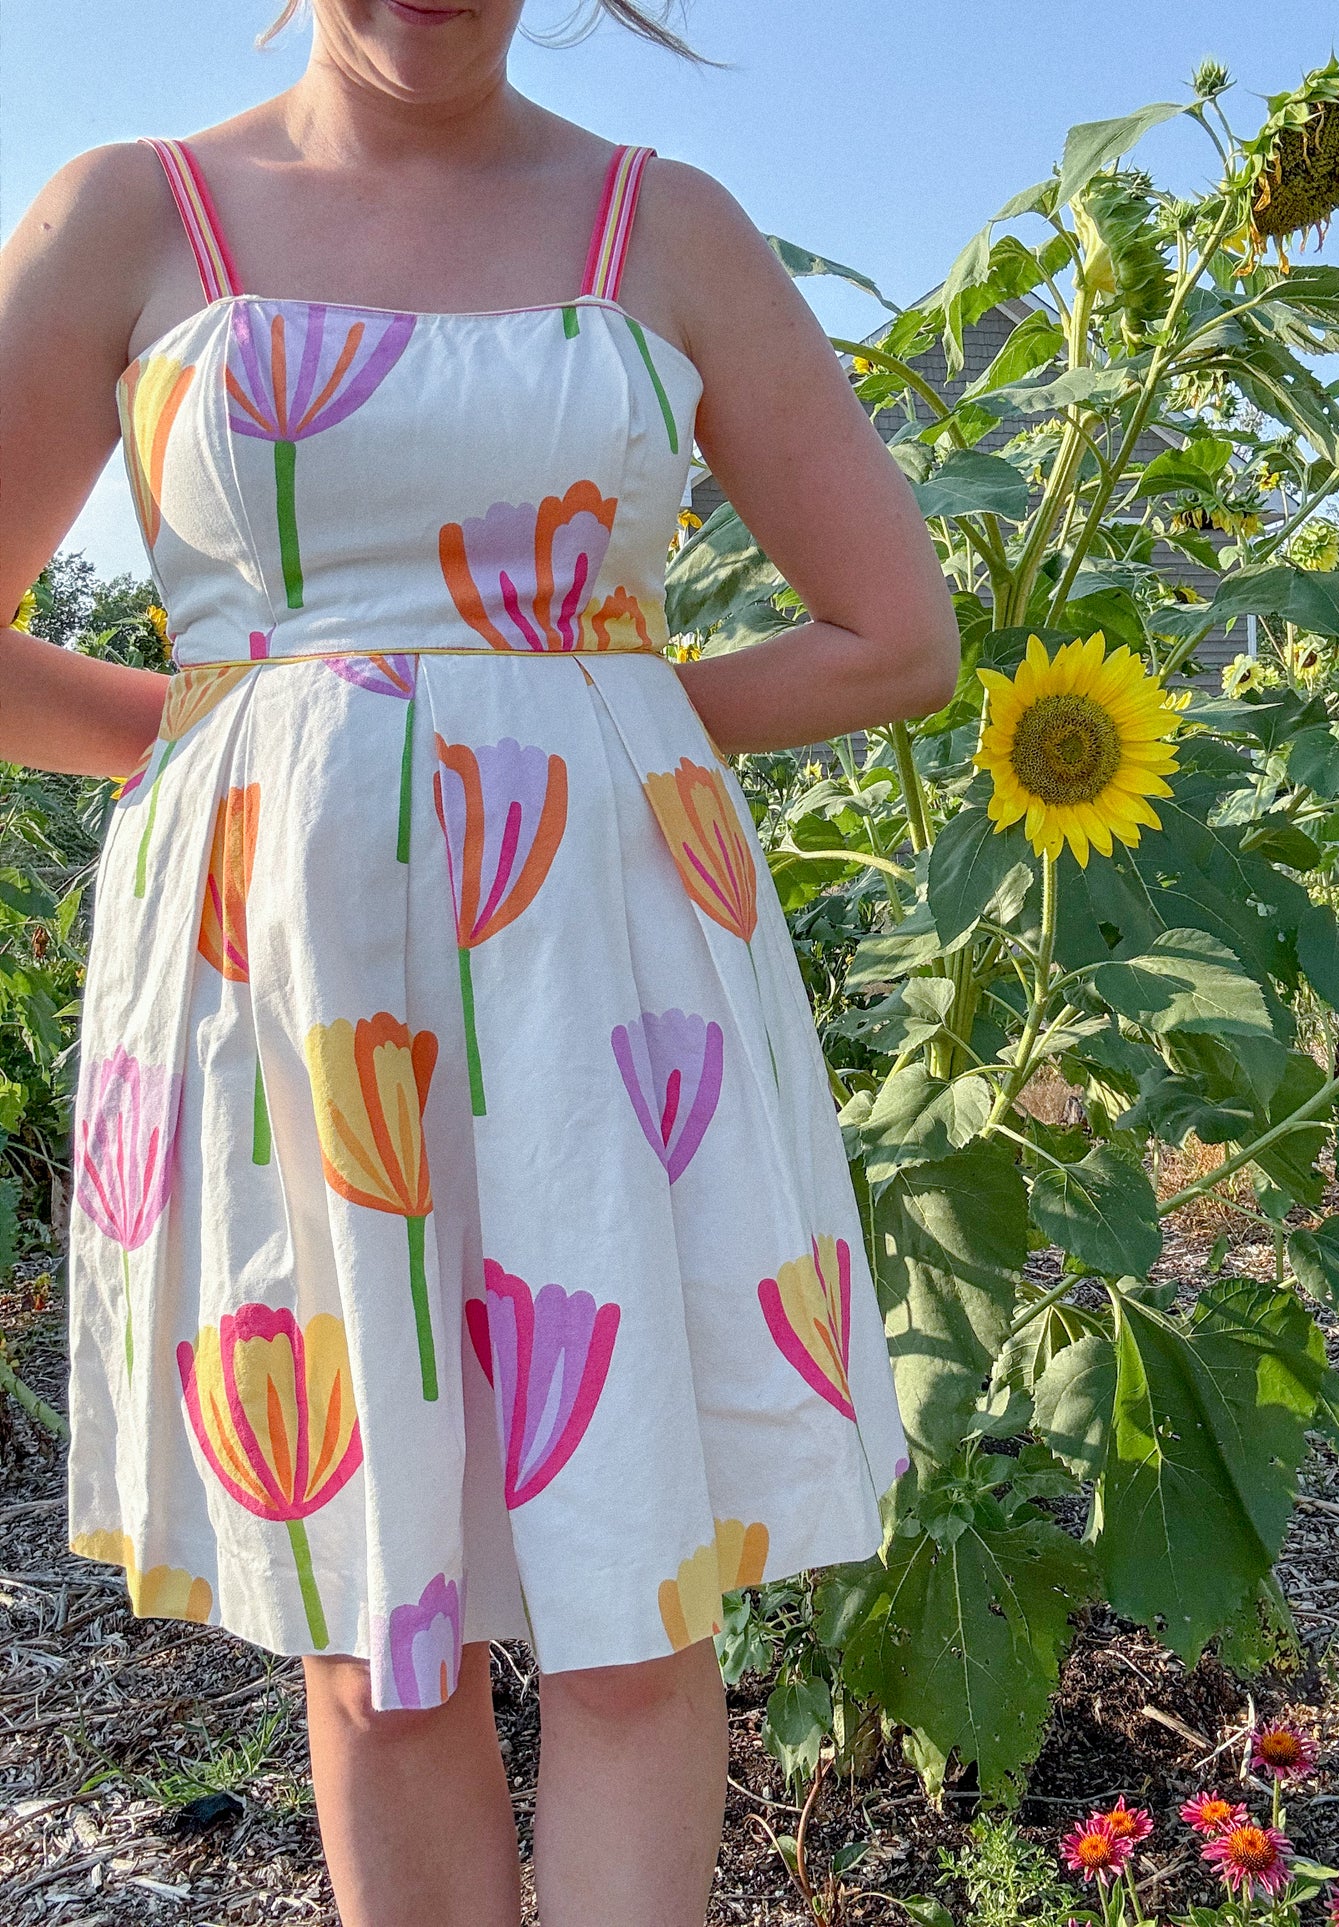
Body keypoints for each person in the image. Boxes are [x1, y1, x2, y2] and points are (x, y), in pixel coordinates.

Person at [0, 2, 959, 1920]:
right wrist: (253, 746)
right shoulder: (131, 214)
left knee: (636, 1614)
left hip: (605, 968)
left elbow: (894, 637)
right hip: (281, 975)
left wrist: (558, 731)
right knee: (375, 1621)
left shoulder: (665, 225)